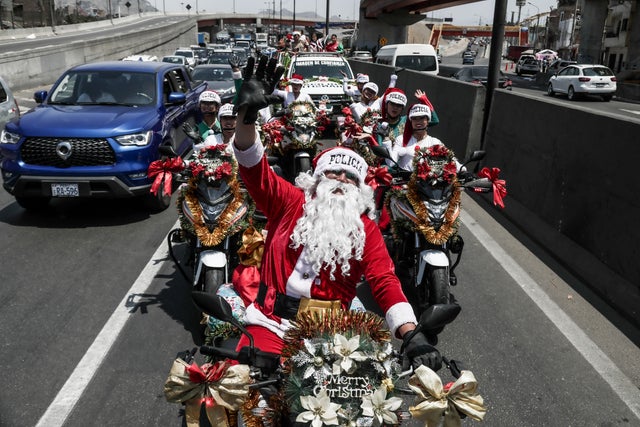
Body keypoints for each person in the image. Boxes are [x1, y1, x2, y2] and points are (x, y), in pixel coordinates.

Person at [229, 56, 442, 371]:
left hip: (331, 336)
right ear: (316, 180)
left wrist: (410, 333)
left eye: (350, 177)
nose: (342, 180)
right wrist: (247, 118)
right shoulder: (288, 202)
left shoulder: (365, 229)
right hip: (269, 324)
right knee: (240, 390)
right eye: (334, 173)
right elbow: (252, 167)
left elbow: (384, 280)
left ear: (360, 188)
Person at [391, 102, 461, 172]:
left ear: (428, 121)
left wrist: (462, 169)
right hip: (404, 180)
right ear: (411, 121)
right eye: (414, 118)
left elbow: (450, 159)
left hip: (426, 181)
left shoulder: (435, 142)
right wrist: (388, 143)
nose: (418, 121)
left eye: (421, 118)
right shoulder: (401, 139)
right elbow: (390, 163)